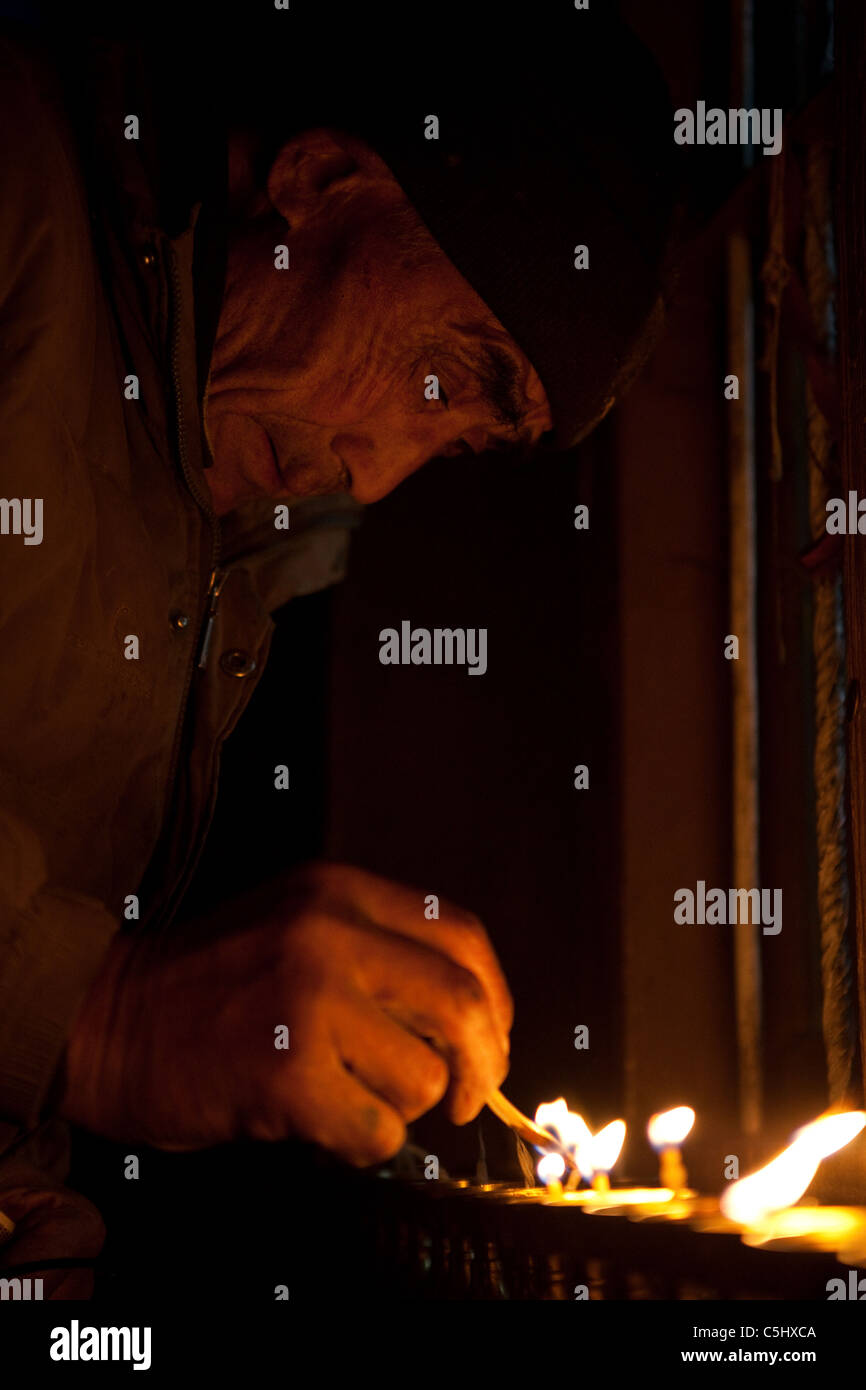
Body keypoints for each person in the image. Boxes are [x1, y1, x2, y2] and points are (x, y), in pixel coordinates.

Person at [0, 9, 674, 1295]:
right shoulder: (18, 178)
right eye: (439, 375)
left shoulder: (234, 538)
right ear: (317, 180)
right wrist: (104, 1017)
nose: (372, 480)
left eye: (461, 440)